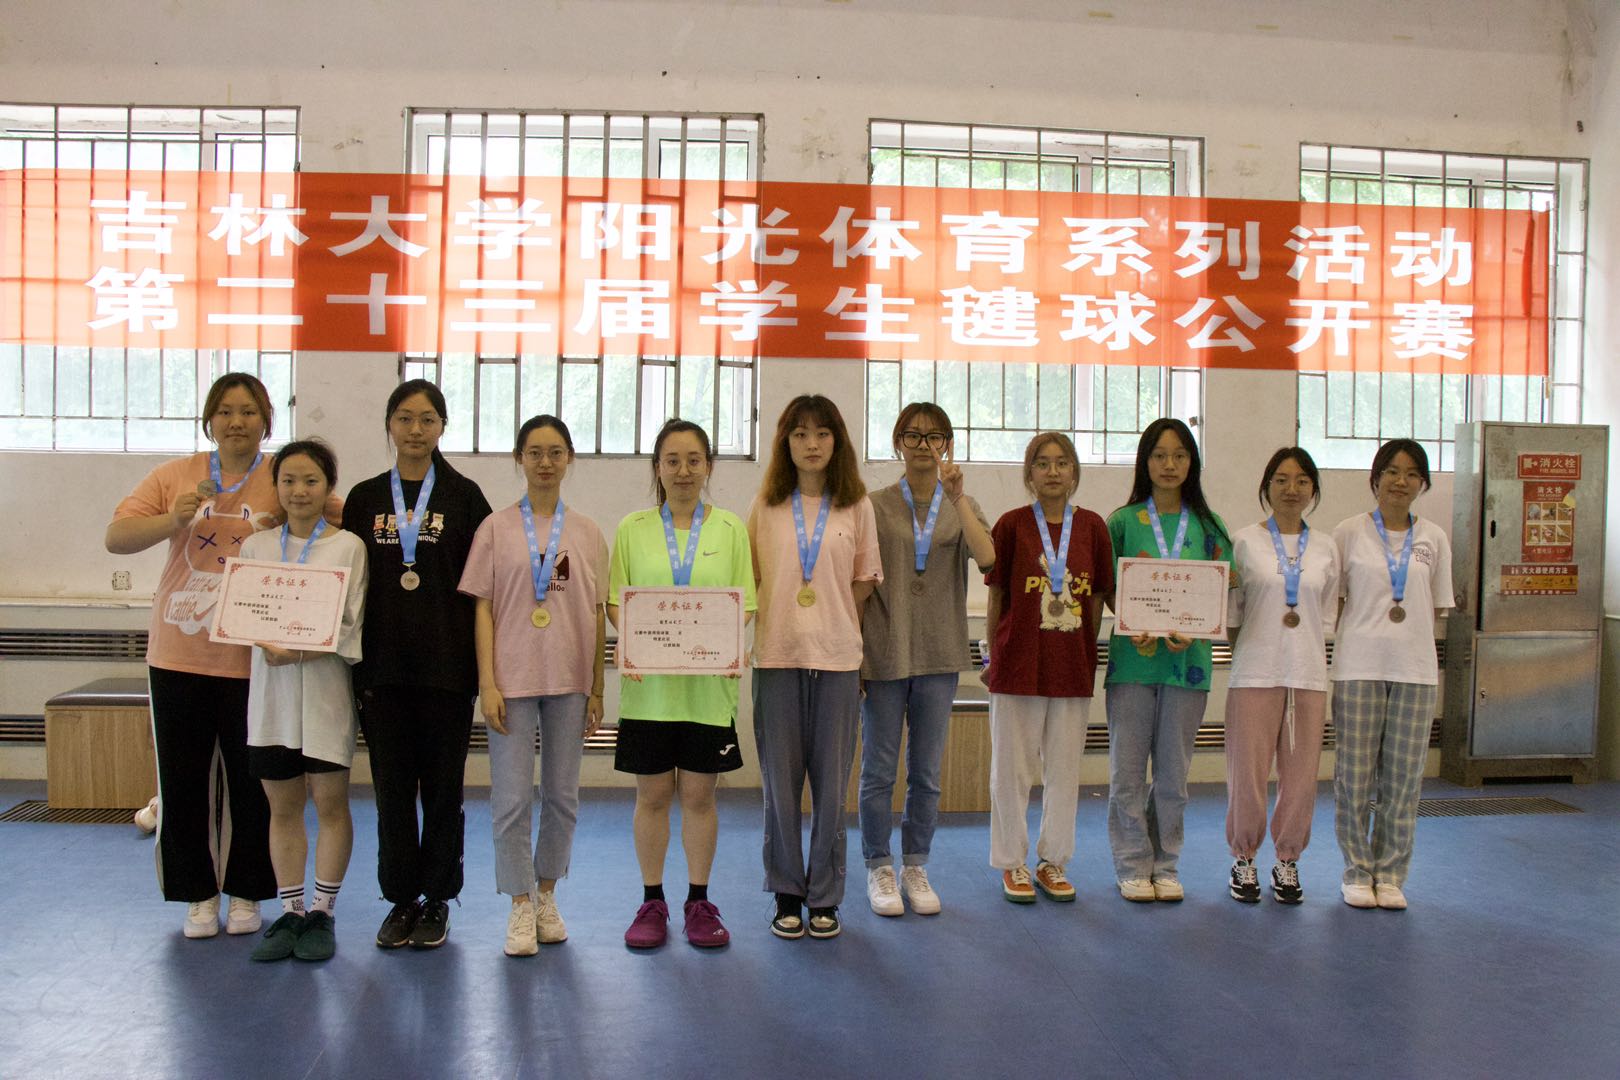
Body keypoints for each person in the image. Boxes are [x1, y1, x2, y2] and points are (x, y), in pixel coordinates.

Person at [105, 372, 280, 939]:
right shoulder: (175, 475)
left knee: (254, 784)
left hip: (255, 656)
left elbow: (334, 514)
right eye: (225, 411)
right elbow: (117, 537)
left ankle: (248, 891)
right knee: (183, 783)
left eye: (248, 411)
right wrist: (174, 520)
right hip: (179, 653)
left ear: (266, 420)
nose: (236, 421)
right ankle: (197, 895)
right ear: (209, 420)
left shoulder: (281, 474)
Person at [342, 380, 492, 949]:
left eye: (427, 419)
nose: (415, 429)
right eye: (404, 418)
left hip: (448, 671)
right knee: (392, 792)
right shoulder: (364, 499)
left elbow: (485, 588)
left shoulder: (464, 497)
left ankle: (438, 898)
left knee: (444, 792)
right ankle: (400, 898)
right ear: (389, 424)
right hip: (381, 672)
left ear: (442, 427)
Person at [460, 415, 607, 956]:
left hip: (569, 681)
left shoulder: (588, 532)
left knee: (563, 796)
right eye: (535, 452)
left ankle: (547, 894)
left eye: (556, 452)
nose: (545, 462)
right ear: (518, 458)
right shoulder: (495, 529)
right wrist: (487, 683)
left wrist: (596, 688)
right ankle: (519, 903)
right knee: (511, 798)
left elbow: (596, 612)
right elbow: (482, 609)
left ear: (569, 458)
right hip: (513, 681)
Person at [608, 419, 756, 949]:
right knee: (651, 796)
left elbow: (744, 603)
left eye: (694, 460)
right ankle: (652, 901)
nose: (683, 470)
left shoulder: (731, 529)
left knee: (698, 796)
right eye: (672, 460)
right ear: (657, 468)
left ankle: (698, 900)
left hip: (707, 694)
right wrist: (638, 640)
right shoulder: (632, 528)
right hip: (648, 693)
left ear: (708, 466)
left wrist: (718, 642)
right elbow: (616, 601)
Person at [748, 394, 881, 940]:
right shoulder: (765, 507)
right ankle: (786, 892)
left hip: (837, 659)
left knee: (831, 788)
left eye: (823, 433)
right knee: (780, 787)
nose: (811, 444)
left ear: (837, 442)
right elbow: (753, 580)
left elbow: (863, 581)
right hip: (776, 656)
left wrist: (830, 616)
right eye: (800, 433)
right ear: (785, 441)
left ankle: (824, 896)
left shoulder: (857, 506)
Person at [859, 403, 994, 917]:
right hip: (885, 649)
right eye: (912, 435)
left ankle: (915, 863)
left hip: (939, 651)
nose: (923, 444)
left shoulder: (960, 503)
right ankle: (879, 864)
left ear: (947, 446)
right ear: (898, 443)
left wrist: (957, 499)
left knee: (927, 772)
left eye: (934, 436)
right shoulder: (873, 505)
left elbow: (988, 558)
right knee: (878, 768)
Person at [241, 439, 369, 962]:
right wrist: (266, 640)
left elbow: (351, 626)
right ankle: (291, 911)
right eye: (289, 480)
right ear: (275, 486)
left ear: (328, 487)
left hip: (325, 697)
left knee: (331, 805)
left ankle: (323, 912)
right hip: (271, 701)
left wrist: (297, 650)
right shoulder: (255, 548)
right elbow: (242, 615)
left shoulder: (349, 547)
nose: (299, 491)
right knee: (283, 807)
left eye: (311, 481)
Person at [1105, 418, 1232, 903]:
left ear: (1192, 463)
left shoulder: (1209, 525)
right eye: (1159, 455)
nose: (1170, 464)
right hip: (1132, 664)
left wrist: (1195, 626)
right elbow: (1108, 586)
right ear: (1145, 462)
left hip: (1188, 664)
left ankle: (1166, 864)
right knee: (1127, 773)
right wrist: (1130, 617)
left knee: (1174, 778)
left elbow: (1224, 585)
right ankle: (1132, 864)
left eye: (1180, 455)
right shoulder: (1122, 522)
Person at [983, 432, 1112, 904]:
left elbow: (1096, 597)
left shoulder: (1093, 527)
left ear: (1075, 471)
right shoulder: (1011, 525)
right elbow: (997, 595)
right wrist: (992, 655)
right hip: (1016, 662)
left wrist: (1086, 650)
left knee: (1063, 770)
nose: (1053, 471)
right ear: (1029, 473)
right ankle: (1011, 861)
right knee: (1010, 771)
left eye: (1062, 462)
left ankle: (1053, 860)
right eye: (1042, 463)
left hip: (1071, 664)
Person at [1331, 439, 1453, 911]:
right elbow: (1336, 601)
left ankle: (1391, 874)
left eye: (1412, 473)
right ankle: (1357, 872)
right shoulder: (1348, 532)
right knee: (1354, 778)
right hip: (1358, 667)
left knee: (1403, 781)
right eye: (1392, 471)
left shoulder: (1433, 538)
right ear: (1375, 477)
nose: (1401, 481)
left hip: (1415, 672)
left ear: (1422, 483)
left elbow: (1436, 608)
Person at [1223, 447, 1338, 904]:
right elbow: (1233, 615)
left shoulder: (1327, 547)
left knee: (1302, 777)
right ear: (1267, 486)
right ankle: (1244, 858)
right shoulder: (1243, 542)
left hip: (1307, 675)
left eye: (1302, 481)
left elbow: (1325, 614)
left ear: (1313, 490)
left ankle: (1287, 860)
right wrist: (1254, 652)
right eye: (1282, 480)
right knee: (1247, 774)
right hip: (1255, 673)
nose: (1292, 489)